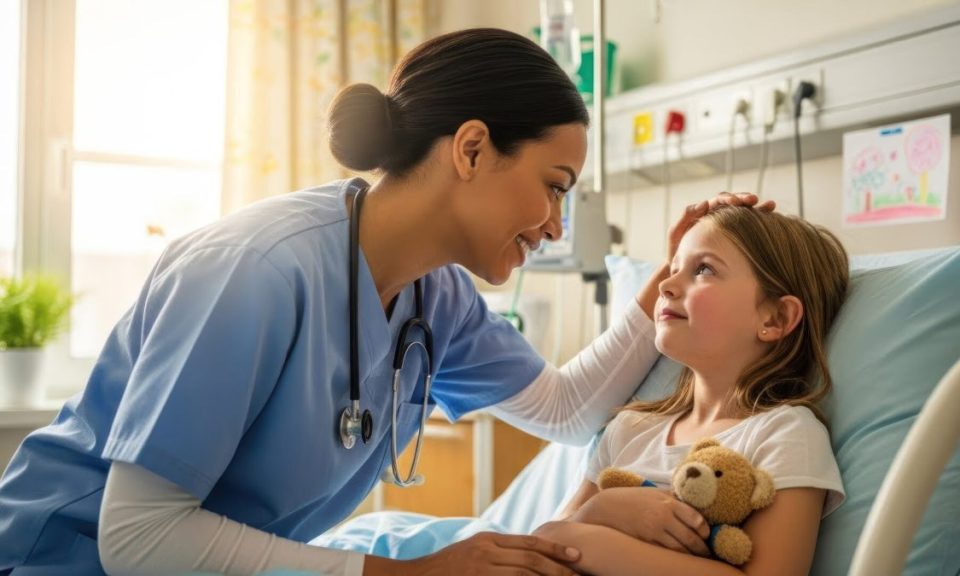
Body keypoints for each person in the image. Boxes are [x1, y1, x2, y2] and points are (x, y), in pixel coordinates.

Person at [0, 27, 771, 575]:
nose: (554, 227)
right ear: (471, 149)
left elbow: (566, 411)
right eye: (552, 189)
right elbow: (137, 539)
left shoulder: (436, 295)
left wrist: (671, 276)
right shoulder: (254, 273)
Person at [532, 204, 849, 576]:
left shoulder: (785, 435)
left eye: (704, 269)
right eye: (675, 267)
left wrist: (590, 542)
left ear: (775, 318)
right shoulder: (630, 428)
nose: (666, 285)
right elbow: (538, 548)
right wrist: (599, 511)